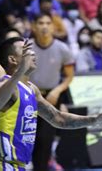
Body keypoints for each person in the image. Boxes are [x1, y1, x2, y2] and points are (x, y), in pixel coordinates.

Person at [0, 37, 102, 170]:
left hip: (18, 166)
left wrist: (95, 120)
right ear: (13, 59)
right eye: (26, 50)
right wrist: (20, 71)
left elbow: (58, 119)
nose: (32, 53)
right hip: (1, 165)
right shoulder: (5, 85)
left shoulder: (32, 89)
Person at [29, 13, 75, 170]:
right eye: (40, 22)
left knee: (45, 140)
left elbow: (69, 77)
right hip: (29, 96)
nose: (44, 26)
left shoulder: (62, 48)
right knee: (28, 138)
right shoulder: (26, 48)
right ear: (33, 26)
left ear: (53, 27)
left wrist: (57, 91)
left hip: (51, 98)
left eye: (48, 23)